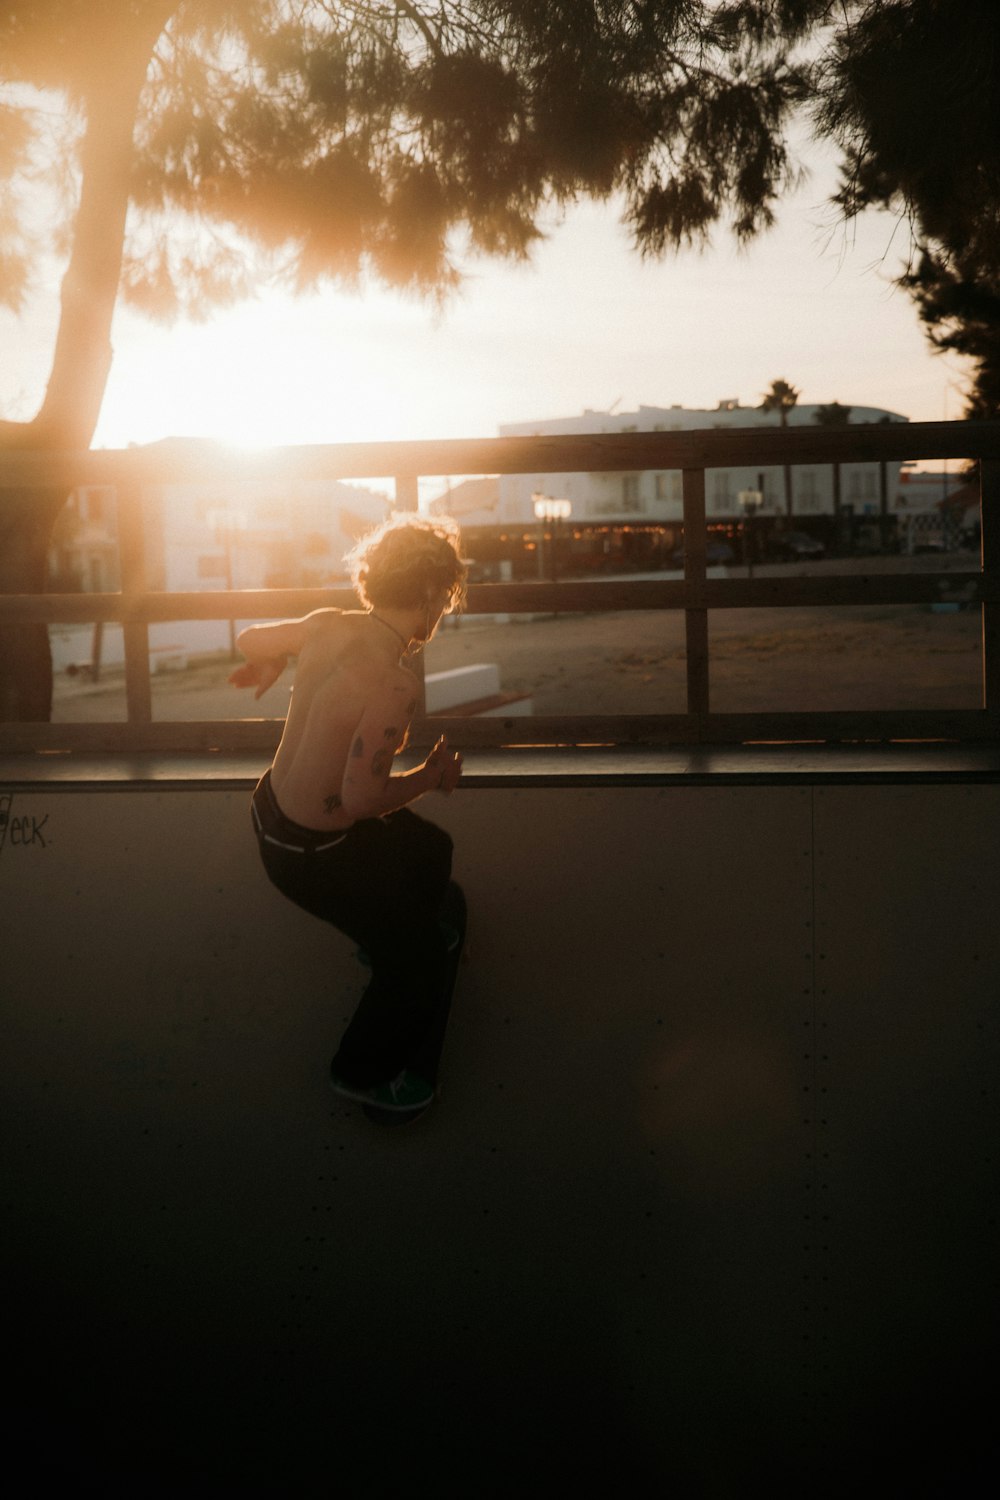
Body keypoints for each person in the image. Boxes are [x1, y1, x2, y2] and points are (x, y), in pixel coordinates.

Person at [229, 513, 467, 1116]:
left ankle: (376, 935)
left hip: (269, 814)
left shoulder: (326, 625)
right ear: (435, 595)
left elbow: (249, 640)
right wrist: (431, 778)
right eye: (447, 593)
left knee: (430, 850)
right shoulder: (393, 684)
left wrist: (272, 662)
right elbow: (361, 800)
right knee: (415, 964)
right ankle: (360, 1073)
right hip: (314, 858)